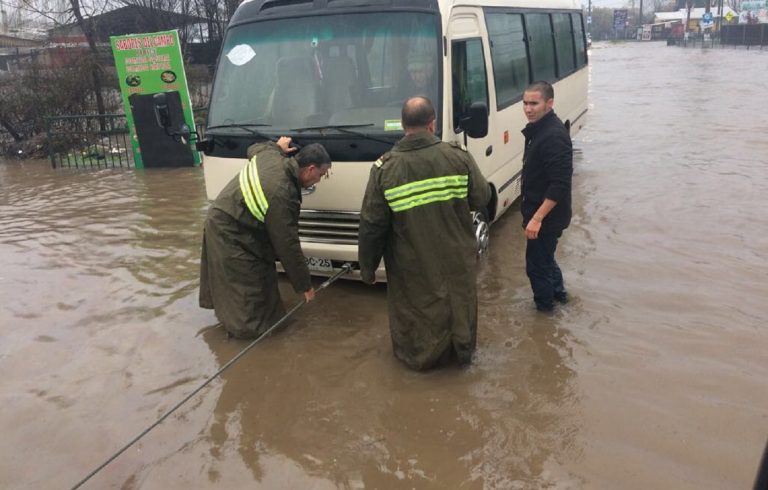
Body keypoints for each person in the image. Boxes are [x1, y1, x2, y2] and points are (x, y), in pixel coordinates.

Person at [358, 96, 491, 370]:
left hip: (411, 263)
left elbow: (372, 225)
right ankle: (462, 356)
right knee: (459, 305)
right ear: (432, 125)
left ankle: (421, 363)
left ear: (403, 125)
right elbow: (482, 197)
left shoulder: (385, 169)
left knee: (416, 311)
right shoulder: (458, 156)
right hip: (457, 257)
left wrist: (367, 268)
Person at [199, 137, 332, 338]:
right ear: (310, 169)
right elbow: (287, 245)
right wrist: (304, 286)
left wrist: (277, 146)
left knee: (262, 276)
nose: (319, 181)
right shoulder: (282, 193)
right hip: (228, 232)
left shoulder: (271, 156)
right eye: (321, 175)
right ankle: (247, 335)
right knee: (248, 286)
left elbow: (253, 147)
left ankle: (255, 324)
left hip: (235, 222)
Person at [520, 81, 573, 312]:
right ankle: (560, 297)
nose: (528, 109)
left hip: (546, 217)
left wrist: (537, 218)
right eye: (525, 103)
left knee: (537, 266)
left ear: (549, 103)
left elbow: (559, 184)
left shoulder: (553, 136)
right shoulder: (540, 129)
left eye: (534, 103)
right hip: (543, 214)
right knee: (547, 259)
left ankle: (545, 314)